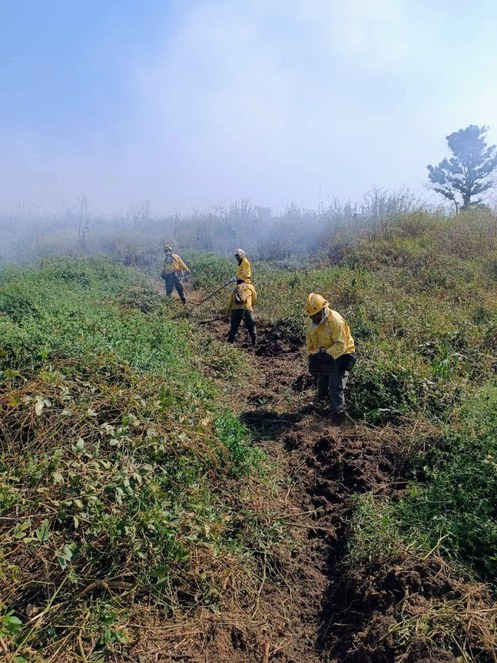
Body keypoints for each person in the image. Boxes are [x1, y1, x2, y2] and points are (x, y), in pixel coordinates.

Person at [306, 293, 356, 423]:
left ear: (323, 309)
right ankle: (321, 400)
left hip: (343, 353)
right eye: (312, 316)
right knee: (322, 377)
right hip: (325, 353)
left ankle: (338, 413)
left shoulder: (335, 321)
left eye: (317, 315)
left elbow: (341, 345)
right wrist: (311, 352)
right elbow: (309, 337)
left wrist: (325, 357)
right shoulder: (312, 320)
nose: (315, 318)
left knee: (335, 383)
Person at [226, 279, 257, 346]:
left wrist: (227, 314)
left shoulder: (235, 289)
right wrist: (251, 307)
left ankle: (230, 343)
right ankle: (254, 342)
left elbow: (230, 303)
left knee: (234, 327)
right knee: (251, 326)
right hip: (247, 309)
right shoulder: (250, 287)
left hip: (236, 310)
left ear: (237, 284)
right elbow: (254, 298)